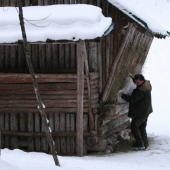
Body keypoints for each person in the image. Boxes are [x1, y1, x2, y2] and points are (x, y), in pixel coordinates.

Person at [119, 74, 153, 150]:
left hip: (140, 112)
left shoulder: (140, 91)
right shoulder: (147, 84)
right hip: (146, 110)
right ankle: (145, 143)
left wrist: (122, 95)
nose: (136, 84)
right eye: (135, 82)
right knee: (142, 127)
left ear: (142, 81)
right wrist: (135, 78)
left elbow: (132, 99)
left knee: (134, 126)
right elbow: (140, 82)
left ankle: (140, 143)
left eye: (137, 82)